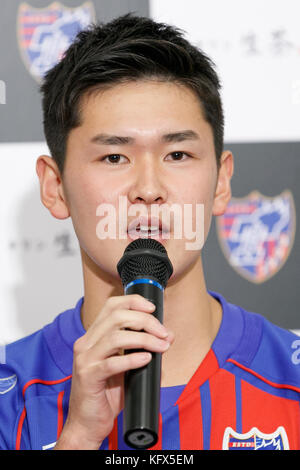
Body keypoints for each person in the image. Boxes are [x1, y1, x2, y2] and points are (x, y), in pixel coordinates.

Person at [0, 13, 299, 451]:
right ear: (55, 186)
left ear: (221, 182)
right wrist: (80, 437)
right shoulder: (12, 395)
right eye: (114, 158)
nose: (148, 190)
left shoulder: (291, 378)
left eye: (177, 154)